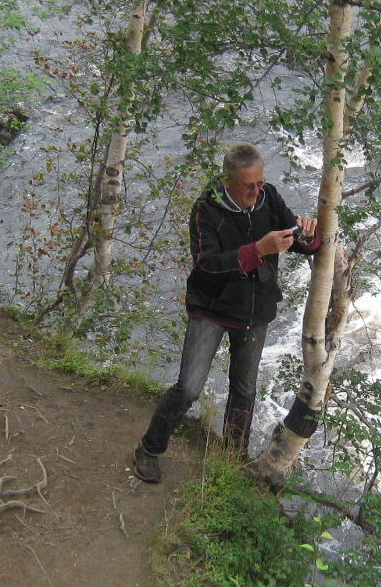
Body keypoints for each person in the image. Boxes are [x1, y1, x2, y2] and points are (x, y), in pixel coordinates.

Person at [132, 142, 321, 483]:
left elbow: (300, 241)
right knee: (189, 388)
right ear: (228, 182)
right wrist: (257, 250)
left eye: (260, 182)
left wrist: (308, 233)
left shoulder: (269, 197)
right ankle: (149, 449)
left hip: (254, 310)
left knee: (245, 390)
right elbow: (205, 265)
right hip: (212, 308)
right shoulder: (206, 210)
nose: (256, 190)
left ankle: (232, 460)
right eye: (249, 185)